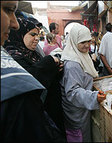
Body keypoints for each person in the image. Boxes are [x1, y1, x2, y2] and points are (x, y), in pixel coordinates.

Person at [1, 1, 64, 142]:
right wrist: (49, 62)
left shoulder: (35, 53)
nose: (14, 24)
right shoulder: (13, 58)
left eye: (38, 35)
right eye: (7, 10)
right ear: (20, 34)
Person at [60, 23, 106, 142]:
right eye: (82, 42)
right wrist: (94, 96)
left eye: (89, 41)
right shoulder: (72, 64)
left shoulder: (82, 55)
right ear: (74, 42)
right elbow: (73, 92)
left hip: (81, 107)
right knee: (79, 136)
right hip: (76, 111)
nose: (87, 45)